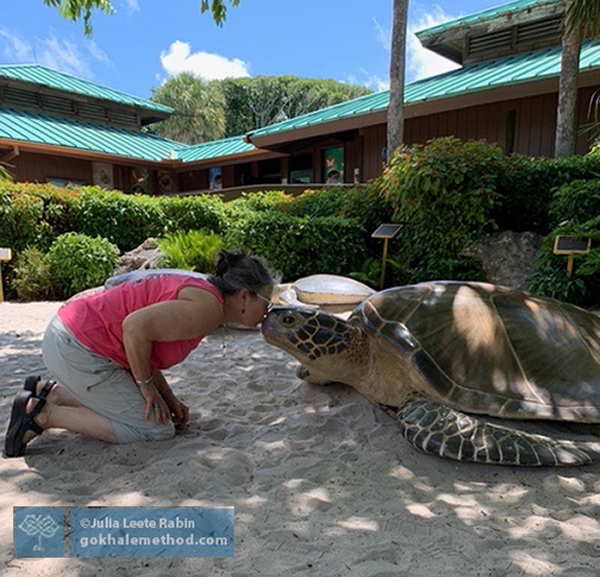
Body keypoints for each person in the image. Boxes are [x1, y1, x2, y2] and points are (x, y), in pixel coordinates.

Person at [4, 249, 277, 457]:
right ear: (243, 296)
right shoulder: (207, 309)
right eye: (266, 302)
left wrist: (167, 397)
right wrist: (147, 389)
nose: (267, 312)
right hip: (79, 347)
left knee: (157, 414)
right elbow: (134, 329)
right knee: (154, 430)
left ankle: (50, 393)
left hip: (74, 337)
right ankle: (42, 415)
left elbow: (146, 346)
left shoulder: (205, 295)